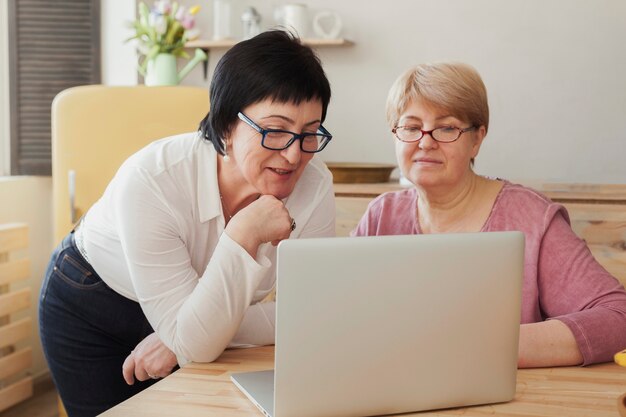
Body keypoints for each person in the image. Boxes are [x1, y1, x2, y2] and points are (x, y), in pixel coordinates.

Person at [39, 30, 335, 417]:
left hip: (205, 318)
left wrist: (186, 334)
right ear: (226, 125)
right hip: (95, 302)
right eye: (275, 131)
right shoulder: (153, 178)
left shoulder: (314, 185)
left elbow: (311, 311)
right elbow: (199, 339)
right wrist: (243, 234)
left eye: (310, 133)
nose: (295, 155)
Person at [353, 62, 626, 368]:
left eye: (447, 127)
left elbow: (618, 316)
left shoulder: (531, 218)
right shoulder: (381, 216)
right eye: (411, 127)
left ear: (477, 139)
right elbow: (339, 312)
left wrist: (485, 346)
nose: (425, 141)